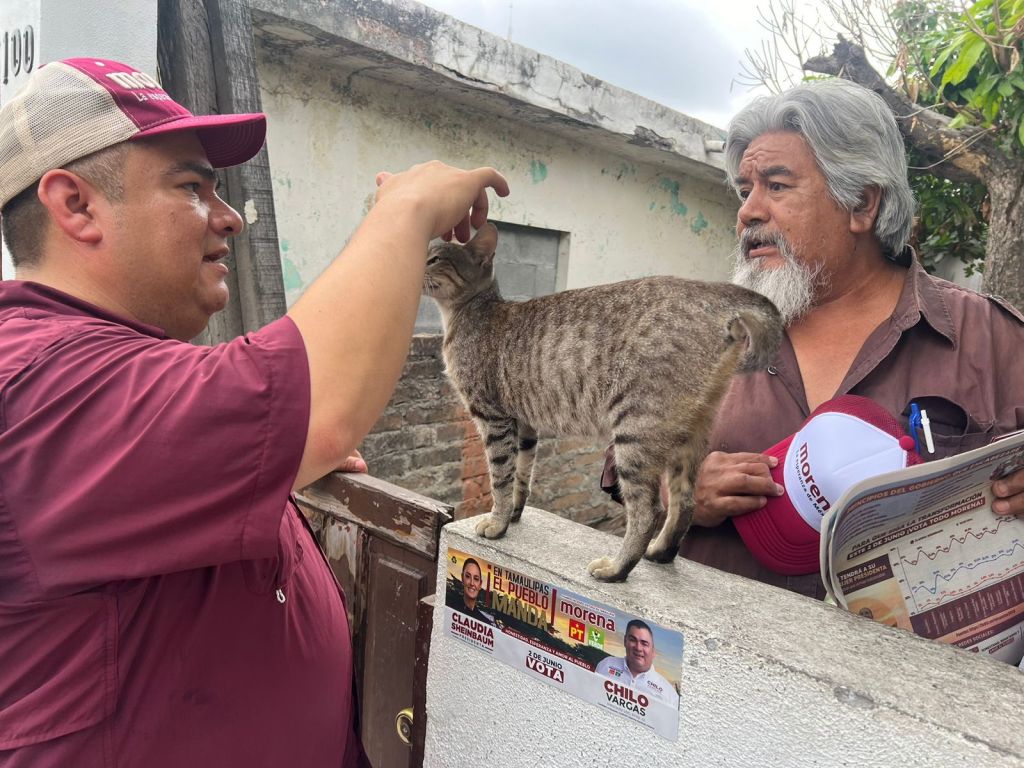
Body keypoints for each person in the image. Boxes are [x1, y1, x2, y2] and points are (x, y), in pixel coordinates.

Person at [0, 57, 508, 767]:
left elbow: (296, 406)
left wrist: (275, 461)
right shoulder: (36, 387)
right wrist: (408, 209)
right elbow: (321, 404)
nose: (229, 217)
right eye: (191, 187)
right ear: (75, 205)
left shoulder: (115, 371)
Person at [602, 78, 1024, 599]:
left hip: (912, 674)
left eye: (777, 186)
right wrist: (677, 492)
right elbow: (623, 463)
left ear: (862, 205)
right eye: (745, 190)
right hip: (719, 664)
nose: (748, 212)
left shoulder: (991, 338)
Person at [595, 620, 679, 707]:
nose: (638, 648)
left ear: (653, 651)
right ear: (625, 641)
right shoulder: (606, 665)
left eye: (644, 643)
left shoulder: (669, 695)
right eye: (633, 640)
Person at [449, 558, 495, 624]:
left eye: (476, 579)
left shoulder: (485, 622)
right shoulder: (451, 606)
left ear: (480, 584)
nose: (472, 583)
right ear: (462, 578)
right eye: (468, 576)